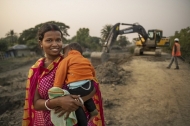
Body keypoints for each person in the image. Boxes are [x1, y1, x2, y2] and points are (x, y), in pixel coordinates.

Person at [22, 23, 105, 126]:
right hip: (49, 122)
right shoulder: (36, 70)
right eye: (49, 40)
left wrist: (76, 102)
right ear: (41, 43)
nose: (55, 44)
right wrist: (59, 102)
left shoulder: (71, 61)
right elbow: (36, 103)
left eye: (58, 40)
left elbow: (93, 88)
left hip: (78, 120)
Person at [49, 42, 98, 126]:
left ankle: (83, 123)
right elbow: (93, 72)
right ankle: (93, 110)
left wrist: (57, 89)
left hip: (76, 88)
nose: (63, 55)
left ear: (70, 50)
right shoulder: (85, 59)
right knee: (83, 94)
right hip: (90, 85)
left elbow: (60, 75)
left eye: (64, 53)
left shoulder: (66, 60)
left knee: (75, 104)